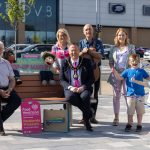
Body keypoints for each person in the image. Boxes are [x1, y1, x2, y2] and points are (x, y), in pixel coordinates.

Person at [60, 43, 94, 131]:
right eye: (71, 50)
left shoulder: (86, 62)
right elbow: (62, 80)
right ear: (68, 52)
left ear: (79, 51)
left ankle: (86, 121)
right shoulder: (64, 62)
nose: (73, 52)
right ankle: (88, 112)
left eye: (75, 50)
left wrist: (83, 87)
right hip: (71, 88)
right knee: (70, 97)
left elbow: (91, 78)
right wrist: (70, 87)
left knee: (85, 97)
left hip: (83, 87)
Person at [113, 54, 150, 132]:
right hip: (130, 95)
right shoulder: (127, 71)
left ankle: (139, 124)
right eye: (132, 60)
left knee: (140, 111)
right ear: (129, 62)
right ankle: (129, 124)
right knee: (130, 111)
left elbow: (148, 78)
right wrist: (115, 72)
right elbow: (119, 78)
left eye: (136, 60)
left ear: (139, 61)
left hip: (140, 95)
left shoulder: (141, 71)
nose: (134, 62)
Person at [108, 28, 136, 126]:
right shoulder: (113, 48)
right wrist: (114, 71)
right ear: (117, 36)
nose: (121, 37)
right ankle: (116, 117)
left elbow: (135, 61)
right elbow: (111, 62)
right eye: (119, 35)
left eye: (123, 35)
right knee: (116, 97)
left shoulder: (131, 47)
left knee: (127, 96)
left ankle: (130, 117)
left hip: (127, 74)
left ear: (126, 36)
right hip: (116, 74)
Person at [79, 24, 104, 124]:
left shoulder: (98, 42)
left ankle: (93, 116)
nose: (88, 31)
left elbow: (100, 55)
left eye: (90, 29)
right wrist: (83, 52)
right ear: (84, 32)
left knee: (95, 94)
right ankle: (84, 116)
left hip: (95, 71)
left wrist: (90, 51)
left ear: (93, 31)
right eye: (86, 30)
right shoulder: (81, 42)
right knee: (83, 94)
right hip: (84, 72)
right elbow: (77, 56)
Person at [0, 41, 21, 136]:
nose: (0, 50)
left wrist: (10, 89)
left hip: (6, 88)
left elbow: (12, 79)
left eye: (1, 48)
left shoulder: (6, 63)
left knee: (17, 100)